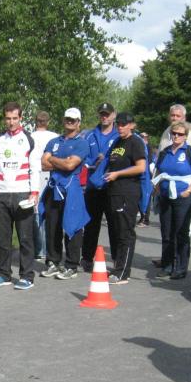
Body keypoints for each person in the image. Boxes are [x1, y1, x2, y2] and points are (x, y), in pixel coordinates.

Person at [0, 101, 41, 290]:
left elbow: (35, 167)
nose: (11, 122)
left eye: (15, 118)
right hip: (2, 194)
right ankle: (3, 274)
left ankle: (27, 276)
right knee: (3, 238)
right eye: (8, 118)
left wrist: (34, 192)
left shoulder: (29, 139)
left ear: (20, 118)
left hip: (23, 194)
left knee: (25, 238)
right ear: (4, 119)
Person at [39, 108, 90, 281]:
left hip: (72, 188)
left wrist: (53, 159)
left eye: (73, 120)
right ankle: (53, 262)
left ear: (78, 122)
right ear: (63, 120)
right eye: (67, 118)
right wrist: (62, 162)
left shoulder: (81, 143)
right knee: (52, 226)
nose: (70, 121)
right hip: (53, 187)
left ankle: (71, 265)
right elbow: (43, 164)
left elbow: (70, 165)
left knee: (72, 226)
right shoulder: (54, 141)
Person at [152, 121, 191, 279]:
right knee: (166, 232)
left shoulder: (190, 152)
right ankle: (167, 265)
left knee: (181, 232)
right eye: (174, 133)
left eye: (180, 134)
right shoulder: (165, 152)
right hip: (166, 195)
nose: (176, 136)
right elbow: (158, 172)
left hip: (183, 196)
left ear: (185, 136)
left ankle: (181, 268)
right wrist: (158, 189)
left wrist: (188, 191)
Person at [101, 112, 147, 284]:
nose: (120, 127)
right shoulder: (117, 142)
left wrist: (118, 174)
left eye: (124, 124)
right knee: (116, 231)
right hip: (114, 191)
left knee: (125, 232)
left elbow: (141, 167)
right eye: (118, 124)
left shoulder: (136, 142)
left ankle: (123, 272)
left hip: (128, 192)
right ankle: (117, 267)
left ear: (132, 125)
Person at [81, 103, 119, 272]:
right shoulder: (89, 135)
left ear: (113, 115)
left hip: (112, 187)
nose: (104, 117)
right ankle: (87, 258)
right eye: (102, 114)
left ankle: (117, 259)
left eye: (107, 114)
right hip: (93, 186)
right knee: (91, 225)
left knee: (114, 225)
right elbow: (83, 157)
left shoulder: (119, 135)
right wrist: (93, 161)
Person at [30, 111, 57, 261]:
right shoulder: (54, 137)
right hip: (50, 174)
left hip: (34, 175)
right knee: (48, 212)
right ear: (48, 122)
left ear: (36, 122)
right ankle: (47, 248)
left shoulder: (30, 137)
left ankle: (39, 249)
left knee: (36, 211)